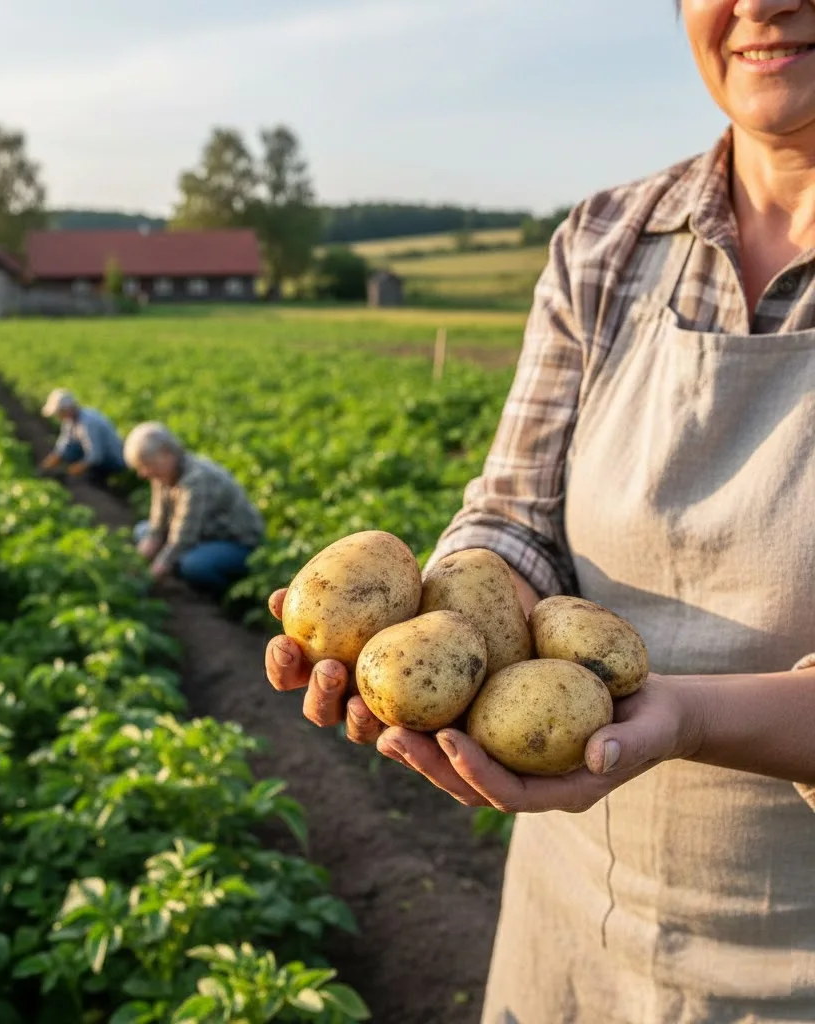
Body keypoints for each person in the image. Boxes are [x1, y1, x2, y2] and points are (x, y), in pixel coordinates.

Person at [265, 2, 815, 1021]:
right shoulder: (604, 241)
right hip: (573, 935)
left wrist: (685, 713)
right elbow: (513, 517)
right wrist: (451, 615)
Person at [124, 421, 264, 596]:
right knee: (142, 531)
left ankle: (225, 595)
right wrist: (130, 570)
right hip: (203, 535)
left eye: (146, 465)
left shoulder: (196, 479)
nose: (143, 474)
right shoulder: (162, 476)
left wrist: (146, 580)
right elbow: (156, 529)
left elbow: (182, 539)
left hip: (236, 542)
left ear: (167, 453)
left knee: (193, 565)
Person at [38, 388, 126, 485]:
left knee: (83, 462)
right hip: (98, 455)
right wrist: (45, 466)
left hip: (112, 459)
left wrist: (71, 470)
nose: (58, 417)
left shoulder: (88, 422)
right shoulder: (70, 421)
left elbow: (95, 456)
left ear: (67, 409)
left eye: (59, 413)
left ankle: (99, 478)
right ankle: (89, 474)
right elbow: (63, 447)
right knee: (70, 450)